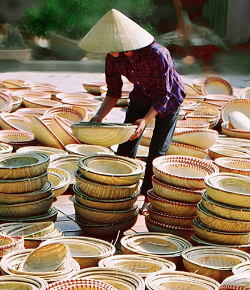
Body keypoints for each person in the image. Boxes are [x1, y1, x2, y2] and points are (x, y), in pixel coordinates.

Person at [79, 9, 185, 212]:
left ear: (124, 45)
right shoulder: (113, 58)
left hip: (169, 98)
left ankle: (148, 197)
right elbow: (113, 91)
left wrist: (145, 120)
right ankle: (122, 191)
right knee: (126, 144)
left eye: (111, 46)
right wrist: (98, 117)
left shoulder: (158, 54)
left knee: (157, 151)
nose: (108, 51)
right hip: (141, 95)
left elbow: (163, 95)